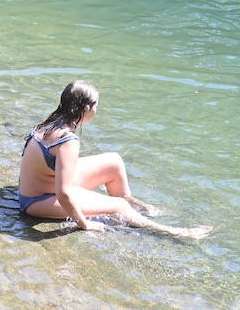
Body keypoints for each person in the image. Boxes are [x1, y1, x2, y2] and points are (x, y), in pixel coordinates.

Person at [17, 80, 211, 238]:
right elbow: (64, 193)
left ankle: (135, 207)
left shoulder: (51, 123)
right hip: (37, 201)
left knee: (114, 161)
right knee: (119, 206)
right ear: (85, 108)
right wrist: (85, 224)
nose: (97, 110)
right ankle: (174, 232)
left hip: (45, 184)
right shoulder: (68, 141)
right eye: (96, 106)